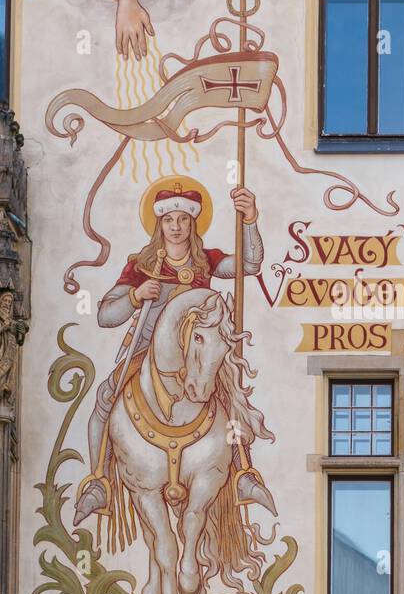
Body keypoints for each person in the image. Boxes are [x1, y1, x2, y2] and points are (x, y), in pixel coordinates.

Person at [73, 181, 265, 526]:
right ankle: (98, 478)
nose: (176, 227)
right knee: (106, 397)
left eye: (183, 220)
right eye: (169, 220)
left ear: (193, 224)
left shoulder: (206, 262)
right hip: (147, 352)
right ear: (158, 224)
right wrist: (136, 296)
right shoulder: (142, 265)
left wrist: (249, 219)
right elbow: (104, 315)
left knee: (232, 399)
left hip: (198, 355)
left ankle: (242, 472)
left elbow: (249, 266)